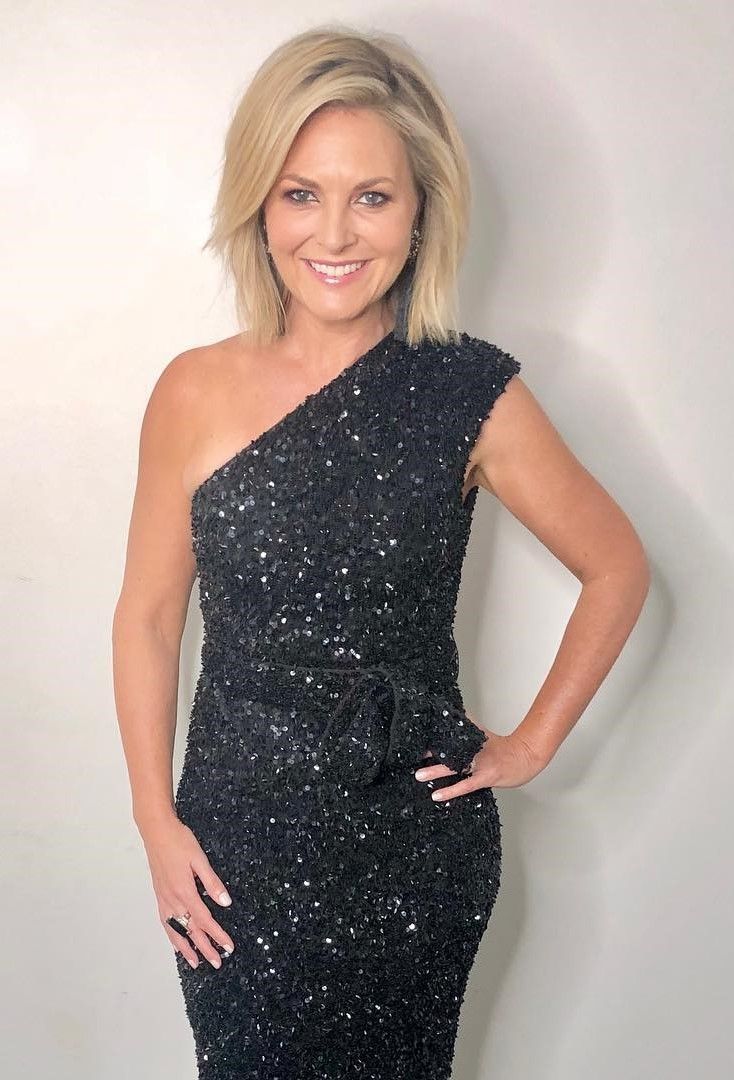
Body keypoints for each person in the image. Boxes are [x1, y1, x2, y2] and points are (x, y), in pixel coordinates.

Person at [112, 25, 650, 1080]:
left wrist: (530, 745)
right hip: (235, 843)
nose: (334, 233)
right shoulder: (192, 389)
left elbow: (617, 566)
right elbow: (148, 616)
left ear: (419, 212)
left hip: (412, 849)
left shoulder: (471, 392)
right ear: (260, 206)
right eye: (300, 194)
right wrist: (152, 820)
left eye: (372, 196)